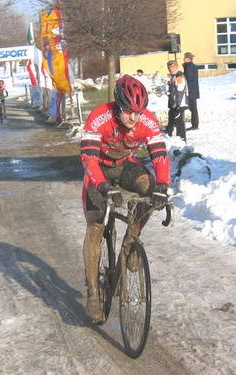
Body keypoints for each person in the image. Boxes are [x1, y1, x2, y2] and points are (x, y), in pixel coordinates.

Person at [80, 74, 170, 322]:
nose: (134, 117)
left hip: (124, 164)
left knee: (151, 189)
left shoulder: (146, 121)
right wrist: (102, 187)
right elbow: (87, 157)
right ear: (117, 106)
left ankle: (130, 244)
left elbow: (159, 155)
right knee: (95, 226)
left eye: (139, 112)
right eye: (128, 111)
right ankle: (93, 294)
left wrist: (163, 184)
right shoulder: (100, 116)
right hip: (98, 169)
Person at [165, 60, 188, 142]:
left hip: (179, 103)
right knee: (171, 119)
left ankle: (182, 140)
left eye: (173, 67)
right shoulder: (173, 76)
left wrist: (178, 105)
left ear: (176, 66)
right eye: (169, 67)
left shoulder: (179, 76)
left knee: (179, 122)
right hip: (173, 103)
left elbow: (180, 91)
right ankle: (168, 135)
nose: (171, 69)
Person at [183, 52, 200, 130]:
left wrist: (182, 76)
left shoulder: (189, 67)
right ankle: (195, 124)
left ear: (188, 59)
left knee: (193, 108)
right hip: (193, 90)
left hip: (190, 91)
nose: (183, 59)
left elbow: (188, 78)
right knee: (193, 108)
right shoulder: (191, 66)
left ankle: (195, 125)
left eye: (184, 57)